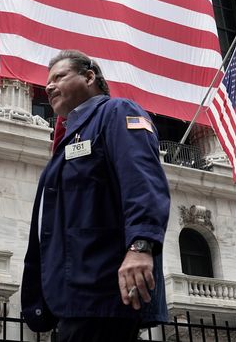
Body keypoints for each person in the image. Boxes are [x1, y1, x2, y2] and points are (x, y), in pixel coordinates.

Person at [21, 50, 170, 342]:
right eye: (47, 82)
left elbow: (143, 181)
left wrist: (141, 245)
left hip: (102, 291)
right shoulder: (69, 138)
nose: (48, 87)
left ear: (90, 77)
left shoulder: (116, 112)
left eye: (59, 77)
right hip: (71, 298)